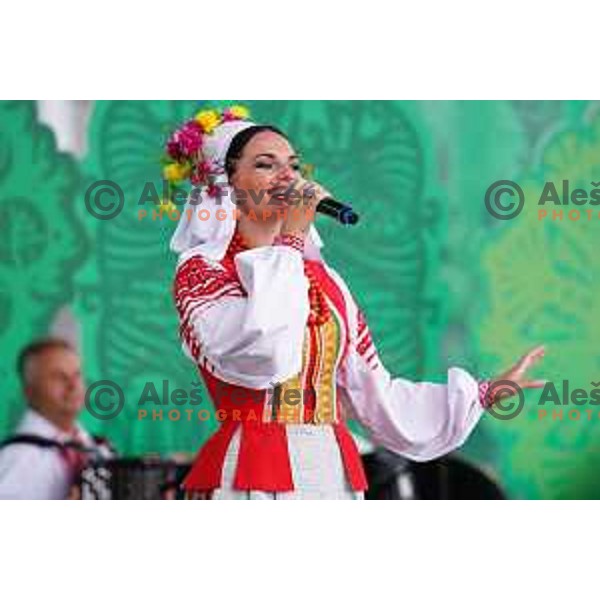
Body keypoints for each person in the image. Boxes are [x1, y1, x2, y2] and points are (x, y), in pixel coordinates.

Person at [167, 105, 546, 499]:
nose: (288, 178)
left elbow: (375, 390)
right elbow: (264, 354)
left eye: (294, 166)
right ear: (226, 184)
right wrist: (291, 241)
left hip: (333, 473)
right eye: (266, 165)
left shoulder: (325, 281)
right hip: (250, 475)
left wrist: (479, 394)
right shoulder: (204, 272)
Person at [0, 338, 115, 499]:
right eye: (58, 377)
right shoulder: (15, 459)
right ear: (29, 391)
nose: (73, 386)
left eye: (77, 375)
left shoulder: (99, 449)